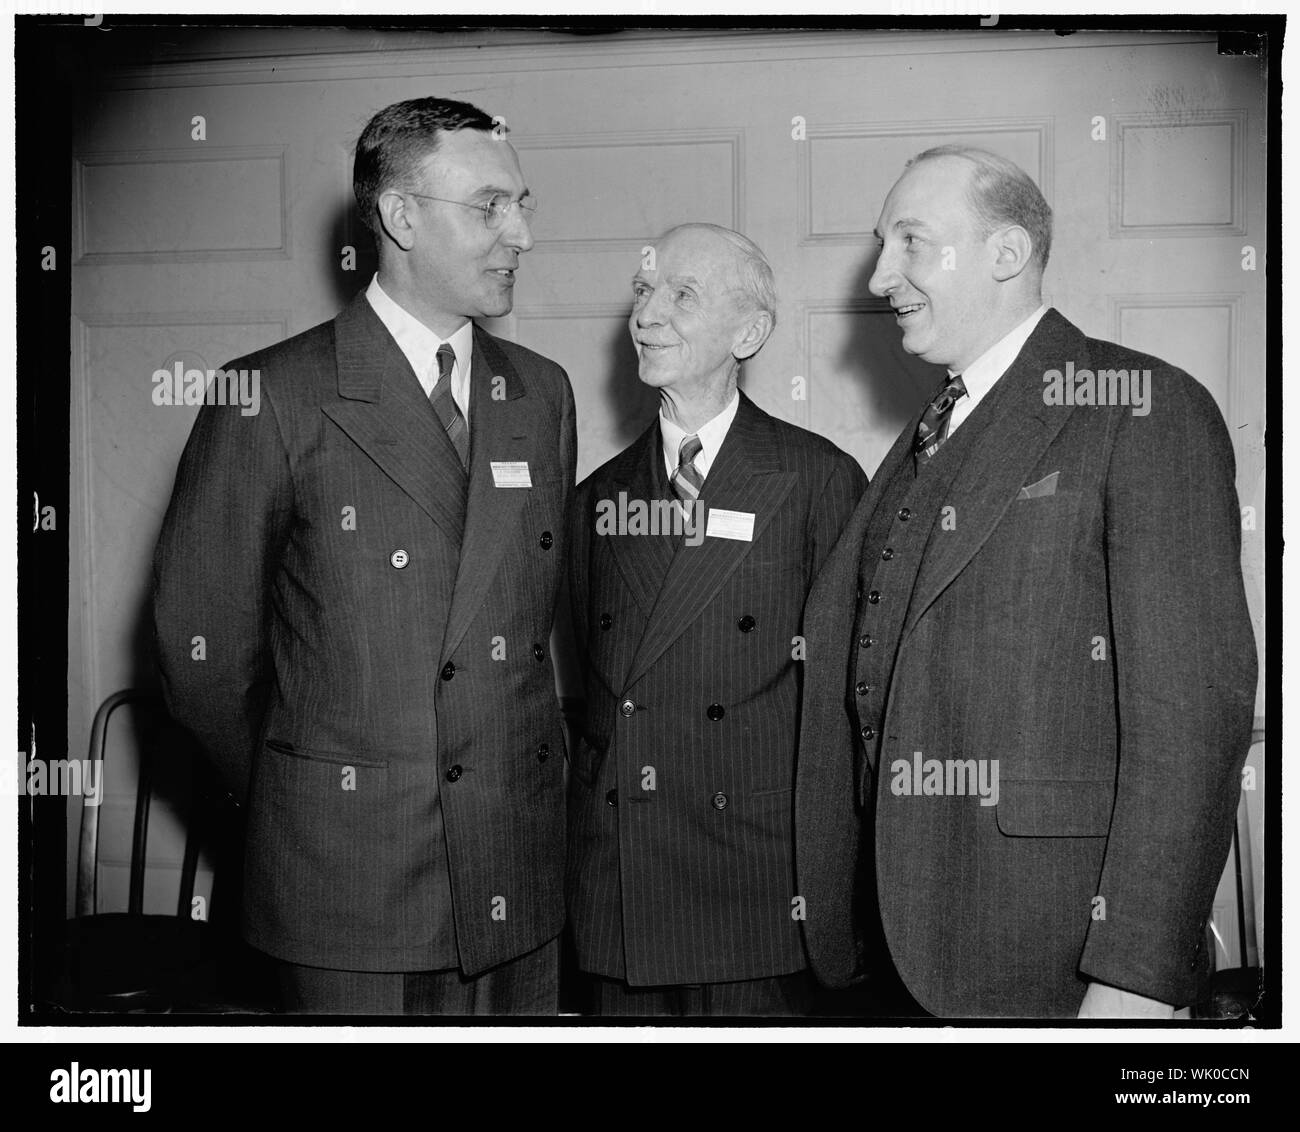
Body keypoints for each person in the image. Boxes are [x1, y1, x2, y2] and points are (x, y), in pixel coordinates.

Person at [794, 145, 1257, 1019]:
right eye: (880, 245)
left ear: (1005, 254)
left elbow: (1194, 717)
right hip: (891, 952)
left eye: (910, 243)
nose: (881, 274)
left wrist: (1135, 976)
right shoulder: (931, 428)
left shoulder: (1143, 409)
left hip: (1049, 959)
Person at [152, 97, 575, 1014]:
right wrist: (306, 799)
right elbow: (205, 662)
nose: (523, 235)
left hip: (522, 880)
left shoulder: (541, 394)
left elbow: (529, 639)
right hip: (350, 890)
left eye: (523, 203)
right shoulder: (270, 395)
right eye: (491, 207)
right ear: (400, 216)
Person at [565, 223, 867, 1016]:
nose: (646, 314)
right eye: (642, 292)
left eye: (680, 294)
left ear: (749, 331)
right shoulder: (594, 499)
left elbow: (852, 706)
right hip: (620, 889)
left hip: (757, 891)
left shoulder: (816, 480)